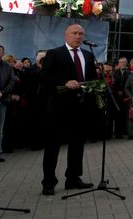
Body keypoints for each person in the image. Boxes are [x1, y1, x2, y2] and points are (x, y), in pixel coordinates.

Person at [40, 24, 97, 195]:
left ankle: (73, 178)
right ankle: (48, 182)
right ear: (66, 35)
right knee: (53, 146)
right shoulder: (54, 54)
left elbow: (91, 79)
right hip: (58, 108)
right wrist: (64, 82)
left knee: (77, 145)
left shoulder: (87, 55)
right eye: (74, 33)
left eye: (81, 34)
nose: (78, 36)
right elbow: (45, 77)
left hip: (80, 107)